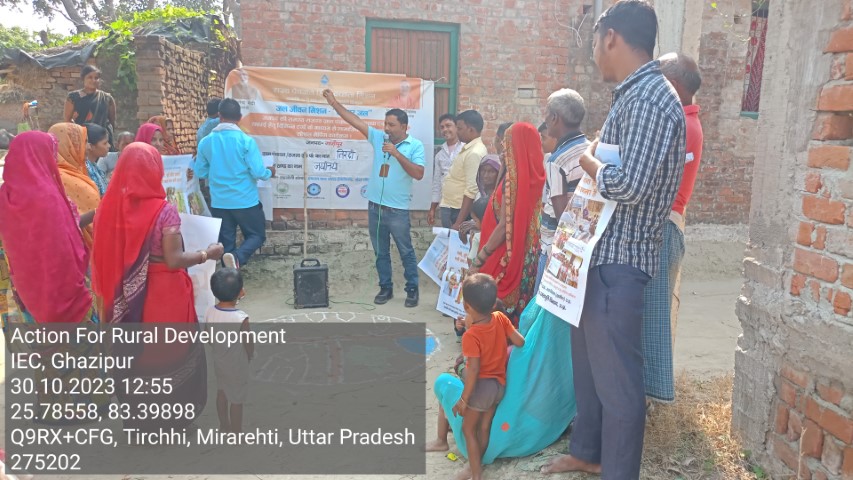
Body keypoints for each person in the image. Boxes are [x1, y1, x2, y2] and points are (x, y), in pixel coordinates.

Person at [540, 2, 686, 477]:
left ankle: (617, 470)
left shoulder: (649, 99)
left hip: (620, 262)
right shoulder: (633, 96)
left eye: (594, 42)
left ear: (610, 38)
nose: (593, 53)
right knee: (589, 370)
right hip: (598, 256)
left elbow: (631, 184)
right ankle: (588, 452)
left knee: (619, 383)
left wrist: (588, 161)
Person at [91, 142, 222, 430]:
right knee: (168, 352)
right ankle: (170, 420)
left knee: (138, 356)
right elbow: (174, 260)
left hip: (124, 299)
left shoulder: (109, 208)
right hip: (164, 294)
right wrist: (207, 254)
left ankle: (141, 420)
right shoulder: (164, 211)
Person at [0, 131, 108, 420]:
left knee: (45, 351)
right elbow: (62, 247)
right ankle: (84, 405)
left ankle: (51, 407)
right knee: (79, 344)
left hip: (26, 294)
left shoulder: (6, 196)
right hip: (62, 290)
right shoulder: (47, 195)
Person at [323, 89, 425, 307]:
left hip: (397, 211)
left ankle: (412, 290)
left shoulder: (415, 145)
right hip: (375, 208)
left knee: (406, 251)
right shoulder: (379, 138)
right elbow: (355, 121)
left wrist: (396, 154)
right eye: (385, 124)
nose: (386, 128)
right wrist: (334, 103)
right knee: (380, 252)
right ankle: (385, 288)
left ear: (404, 127)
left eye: (391, 125)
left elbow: (418, 173)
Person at [643, 52, 704, 404]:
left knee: (651, 321)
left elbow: (651, 180)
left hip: (664, 227)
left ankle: (648, 403)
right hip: (663, 225)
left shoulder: (682, 125)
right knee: (646, 318)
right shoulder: (681, 121)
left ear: (674, 84)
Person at [427, 274, 525, 480]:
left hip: (481, 388)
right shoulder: (500, 318)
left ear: (466, 306)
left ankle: (476, 473)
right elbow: (520, 341)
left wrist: (464, 400)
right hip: (498, 386)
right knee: (484, 427)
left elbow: (473, 371)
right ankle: (478, 464)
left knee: (468, 429)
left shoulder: (471, 336)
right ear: (493, 303)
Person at [469, 122, 545, 325]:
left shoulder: (513, 182)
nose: (504, 146)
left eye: (508, 142)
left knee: (488, 308)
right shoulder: (534, 176)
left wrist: (479, 259)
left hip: (502, 253)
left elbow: (504, 226)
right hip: (523, 254)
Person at [195, 99, 274, 267]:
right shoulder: (246, 141)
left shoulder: (206, 142)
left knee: (226, 245)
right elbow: (258, 172)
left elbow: (200, 172)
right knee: (257, 235)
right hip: (245, 202)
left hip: (219, 203)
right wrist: (270, 172)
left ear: (219, 116)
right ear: (239, 117)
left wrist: (216, 170)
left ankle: (228, 278)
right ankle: (237, 258)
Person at [535, 89, 589, 293]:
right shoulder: (591, 149)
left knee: (542, 303)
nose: (545, 120)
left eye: (546, 114)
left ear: (554, 118)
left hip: (555, 247)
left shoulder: (556, 160)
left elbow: (561, 216)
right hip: (585, 242)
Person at [206, 267, 253, 433]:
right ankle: (237, 432)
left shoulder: (210, 311)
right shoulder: (241, 318)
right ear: (241, 292)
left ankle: (224, 426)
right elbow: (248, 343)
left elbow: (208, 336)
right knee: (237, 399)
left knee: (222, 393)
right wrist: (250, 355)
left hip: (219, 362)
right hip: (237, 364)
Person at [48, 122, 100, 251]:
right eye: (84, 142)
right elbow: (73, 221)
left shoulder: (75, 171)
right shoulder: (61, 177)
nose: (88, 147)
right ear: (70, 145)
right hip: (79, 249)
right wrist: (100, 211)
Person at [439, 110, 487, 230]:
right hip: (452, 207)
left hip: (459, 211)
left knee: (456, 242)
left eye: (459, 128)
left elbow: (471, 190)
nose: (457, 131)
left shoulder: (474, 152)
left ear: (471, 130)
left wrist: (459, 222)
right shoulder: (468, 148)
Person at [64, 65, 116, 150]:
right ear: (83, 79)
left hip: (102, 142)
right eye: (90, 77)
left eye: (96, 78)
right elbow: (67, 121)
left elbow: (112, 122)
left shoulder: (107, 98)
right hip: (82, 141)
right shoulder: (73, 98)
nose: (93, 80)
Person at [429, 113, 464, 226]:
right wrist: (433, 208)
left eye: (448, 126)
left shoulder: (466, 149)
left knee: (463, 235)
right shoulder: (439, 155)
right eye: (442, 127)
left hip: (463, 205)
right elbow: (436, 182)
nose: (445, 130)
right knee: (447, 234)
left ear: (456, 127)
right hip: (446, 205)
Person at [83, 123, 110, 196]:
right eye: (105, 143)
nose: (109, 146)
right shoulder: (84, 169)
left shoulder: (94, 166)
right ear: (91, 146)